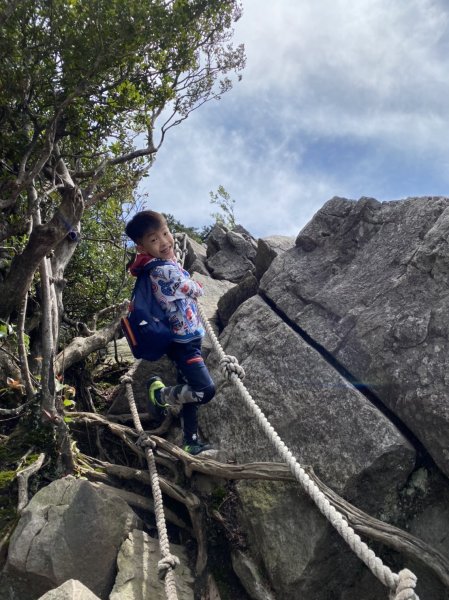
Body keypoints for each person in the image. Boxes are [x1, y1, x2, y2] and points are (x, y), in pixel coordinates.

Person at [125, 210, 215, 455]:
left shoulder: (164, 264)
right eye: (154, 240)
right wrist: (195, 283)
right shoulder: (161, 270)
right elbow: (193, 290)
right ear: (142, 246)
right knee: (204, 391)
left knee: (189, 391)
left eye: (165, 233)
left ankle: (191, 442)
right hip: (183, 343)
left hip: (188, 337)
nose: (164, 242)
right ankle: (160, 393)